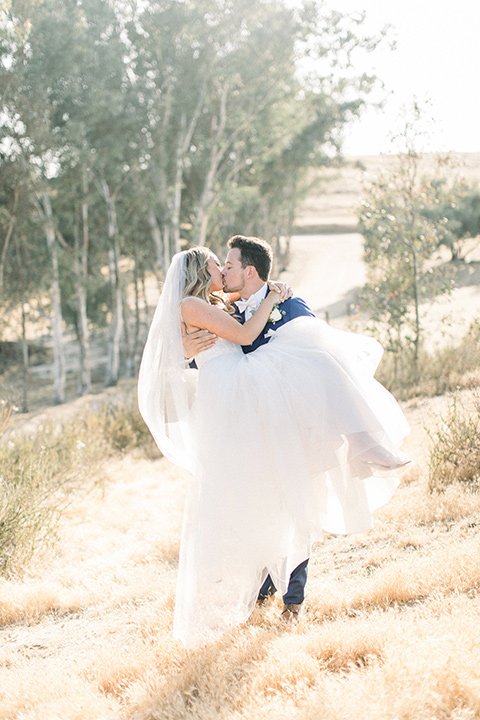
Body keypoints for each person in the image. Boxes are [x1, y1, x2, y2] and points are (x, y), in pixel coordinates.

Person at [138, 241, 411, 649]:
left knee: (280, 480)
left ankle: (354, 441)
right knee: (313, 365)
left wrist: (270, 291)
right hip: (235, 390)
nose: (224, 271)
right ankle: (358, 440)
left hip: (240, 384)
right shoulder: (191, 306)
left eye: (228, 265)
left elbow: (236, 311)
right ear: (202, 271)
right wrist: (274, 297)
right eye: (218, 265)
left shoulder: (211, 302)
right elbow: (246, 333)